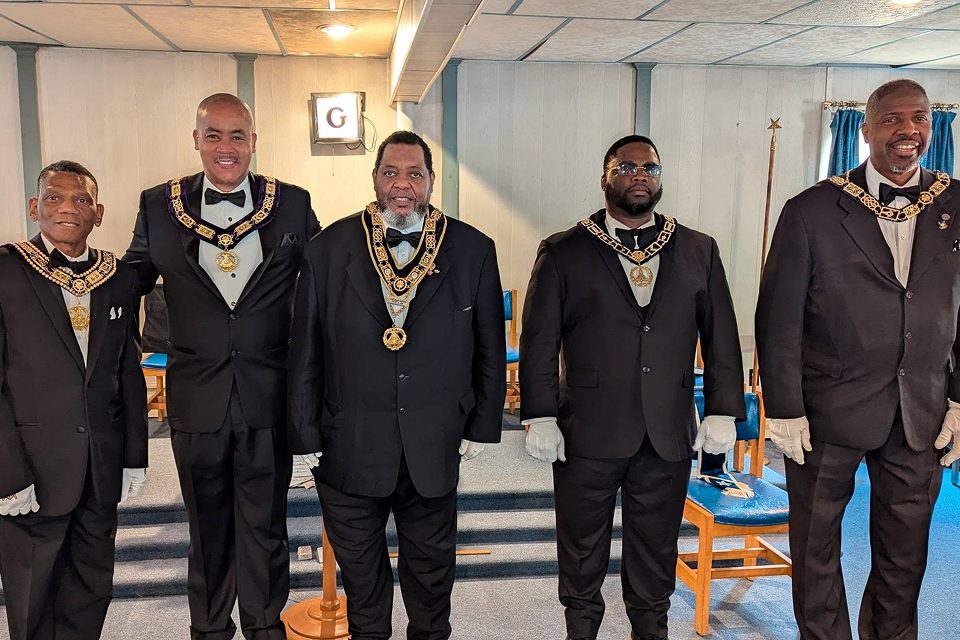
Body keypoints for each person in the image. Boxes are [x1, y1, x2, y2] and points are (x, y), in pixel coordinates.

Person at [756, 78, 960, 640]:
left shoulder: (958, 204)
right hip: (826, 410)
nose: (908, 130)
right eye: (892, 119)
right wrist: (785, 407)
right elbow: (778, 318)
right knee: (816, 549)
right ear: (865, 130)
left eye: (919, 118)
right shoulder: (813, 209)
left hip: (921, 410)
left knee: (905, 554)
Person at [519, 135, 745, 640]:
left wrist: (723, 409)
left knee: (656, 551)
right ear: (605, 178)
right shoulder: (563, 250)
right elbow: (538, 339)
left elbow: (721, 333)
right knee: (580, 550)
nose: (638, 176)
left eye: (649, 168)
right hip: (586, 431)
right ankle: (581, 631)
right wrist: (540, 414)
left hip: (665, 432)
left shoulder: (698, 249)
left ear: (660, 178)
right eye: (625, 168)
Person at [288, 130, 505, 640]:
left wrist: (480, 423)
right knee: (363, 593)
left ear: (431, 181)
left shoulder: (473, 249)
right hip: (348, 448)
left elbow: (489, 346)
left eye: (414, 174)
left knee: (431, 590)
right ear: (375, 178)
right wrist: (303, 437)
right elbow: (305, 352)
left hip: (433, 447)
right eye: (391, 172)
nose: (401, 185)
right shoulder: (327, 249)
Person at [123, 93, 320, 640]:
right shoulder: (157, 205)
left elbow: (329, 287)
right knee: (206, 532)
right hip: (196, 398)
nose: (226, 147)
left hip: (268, 395)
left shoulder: (295, 204)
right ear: (196, 140)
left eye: (238, 136)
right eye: (214, 135)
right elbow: (128, 280)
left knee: (265, 527)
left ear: (254, 142)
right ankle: (209, 630)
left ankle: (264, 628)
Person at [0, 160, 147, 640]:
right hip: (31, 467)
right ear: (33, 207)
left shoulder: (119, 276)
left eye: (81, 200)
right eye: (54, 198)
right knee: (33, 594)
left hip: (99, 466)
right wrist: (6, 476)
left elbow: (127, 371)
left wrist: (133, 457)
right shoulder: (5, 269)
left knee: (90, 587)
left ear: (98, 212)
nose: (68, 208)